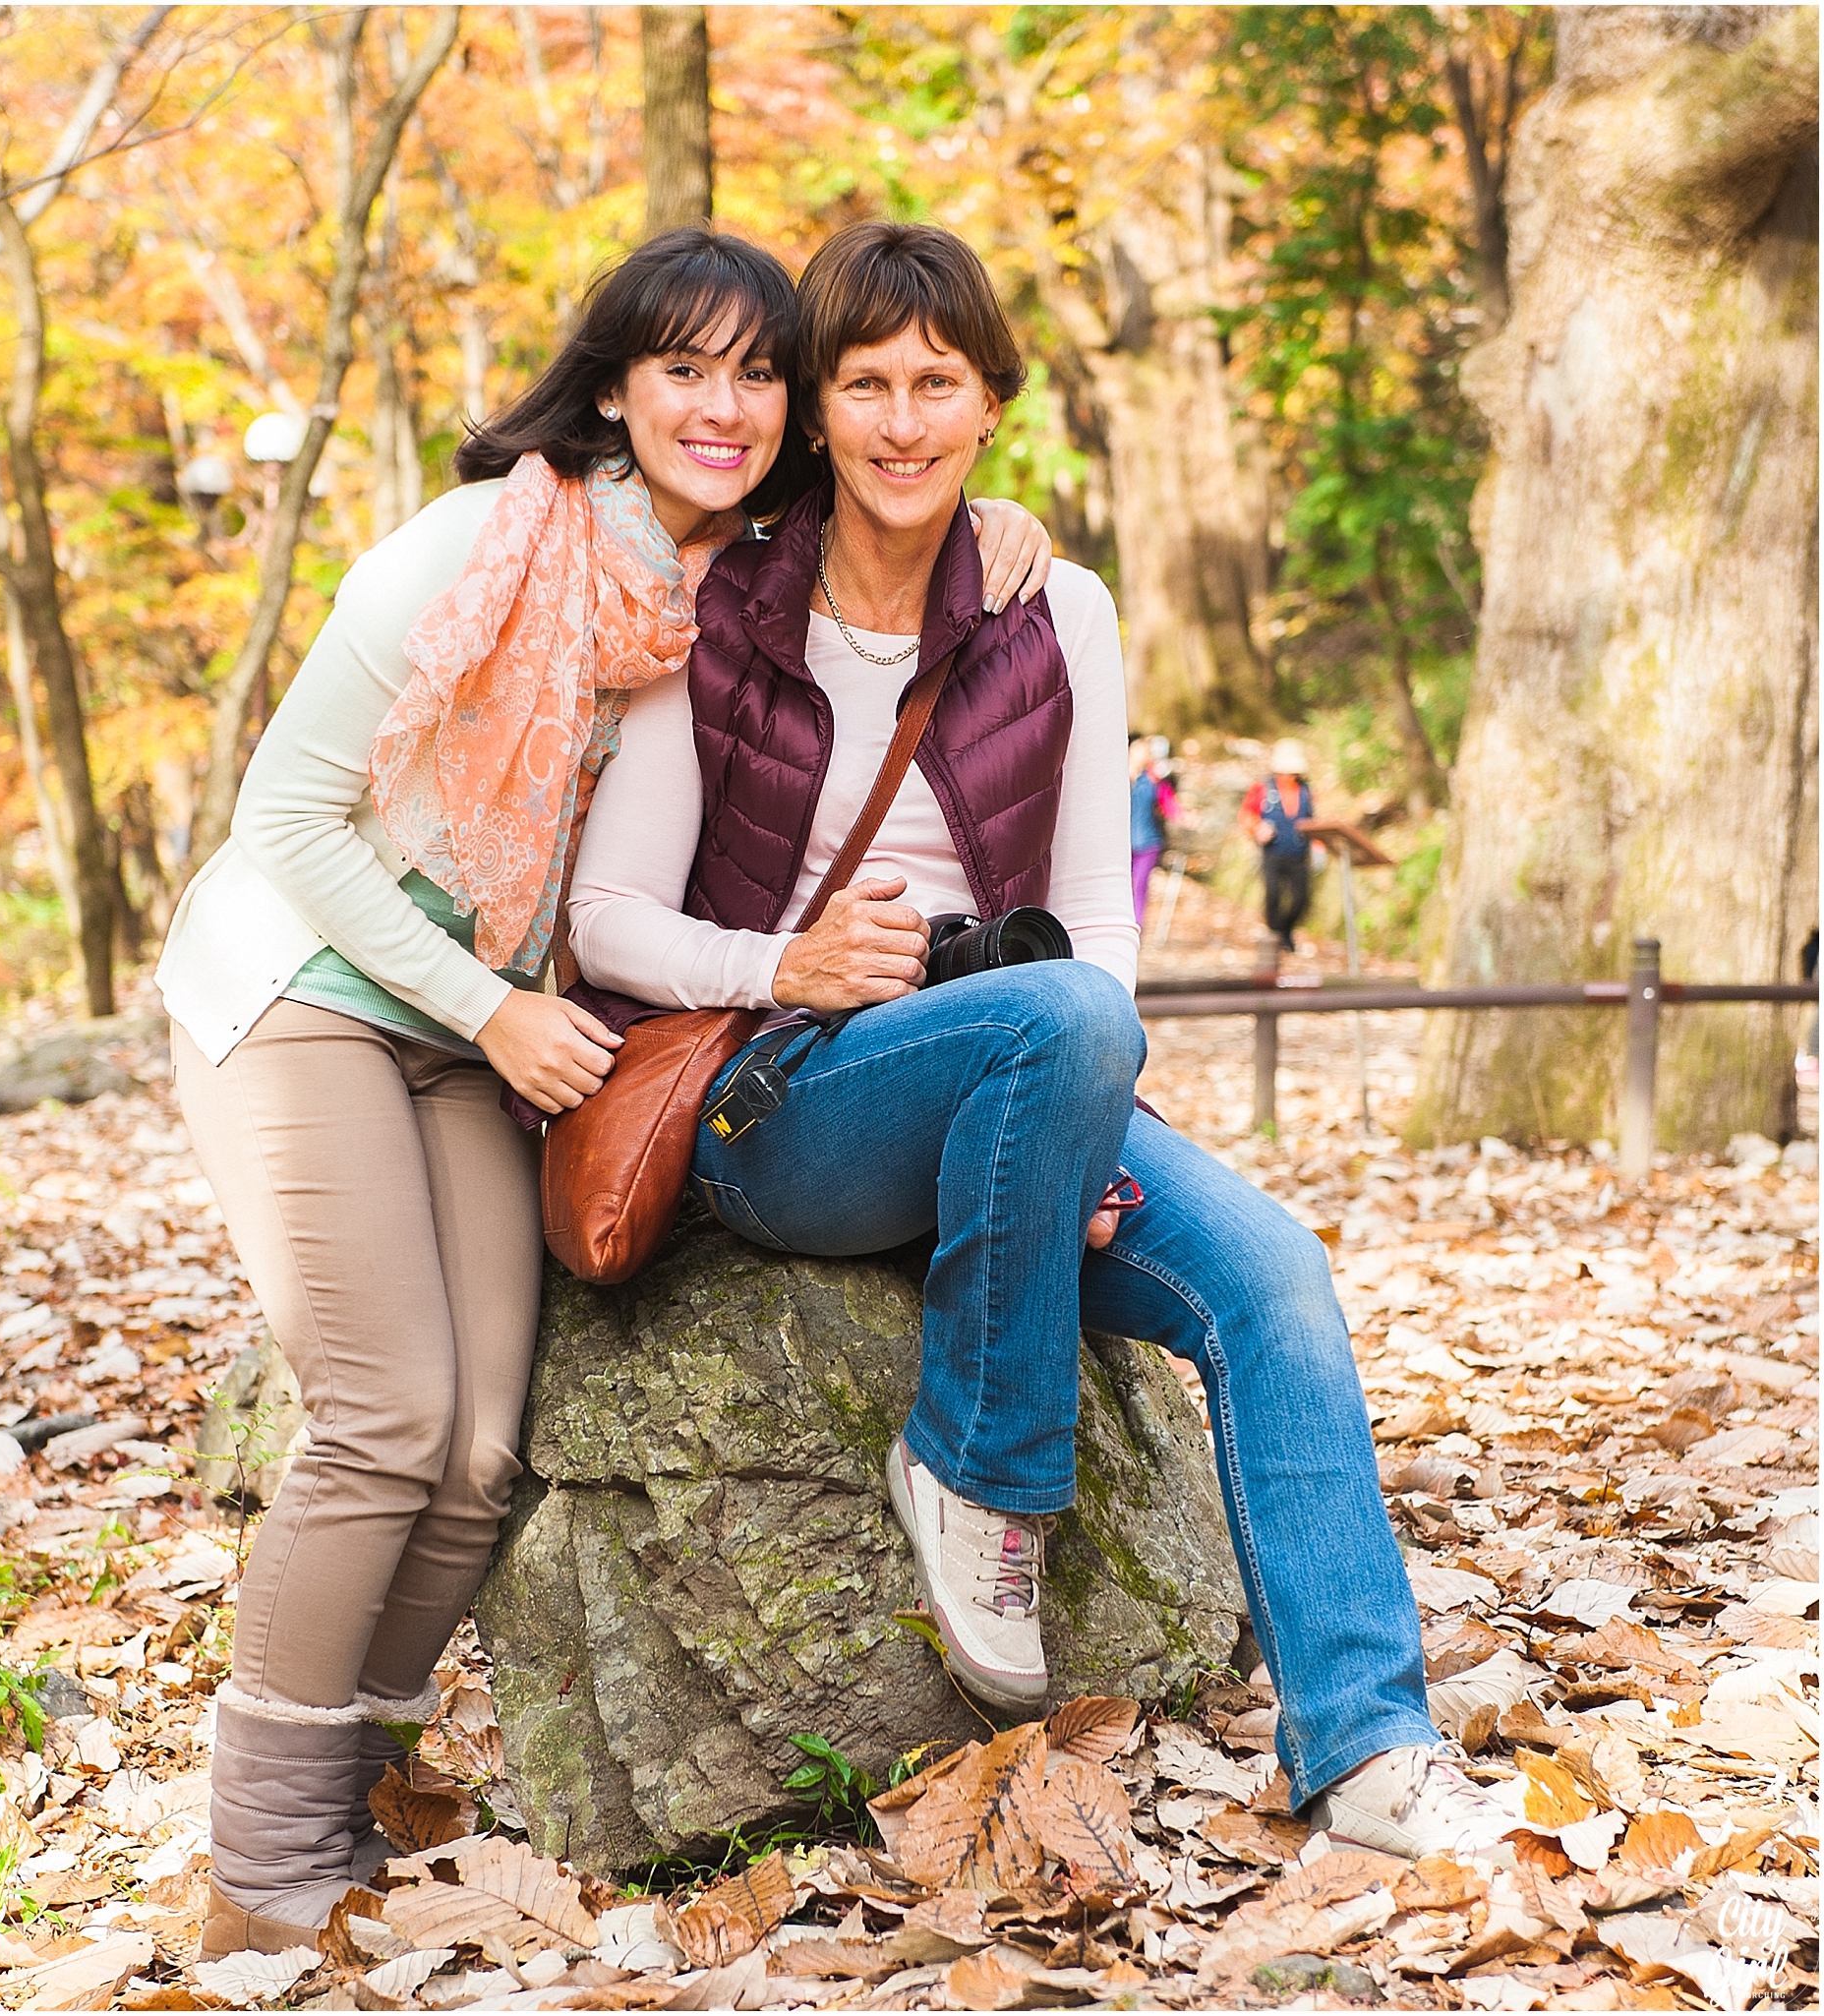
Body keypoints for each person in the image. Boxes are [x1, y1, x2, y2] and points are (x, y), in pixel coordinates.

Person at [154, 227, 1052, 1957]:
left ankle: (364, 1798)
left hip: (473, 1020)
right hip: (304, 986)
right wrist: (490, 1013)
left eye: (755, 372)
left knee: (482, 1450)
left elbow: (908, 531)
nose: (720, 406)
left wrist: (997, 533)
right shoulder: (468, 548)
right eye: (680, 370)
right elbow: (281, 823)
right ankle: (262, 1879)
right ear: (614, 385)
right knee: (385, 1420)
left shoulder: (725, 575)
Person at [566, 221, 1508, 1862]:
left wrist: (1064, 1129)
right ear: (813, 408)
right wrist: (786, 961)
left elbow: (1097, 920)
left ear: (990, 403)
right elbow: (607, 920)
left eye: (936, 383)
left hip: (1023, 1070)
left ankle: (1364, 1745)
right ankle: (979, 1471)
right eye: (862, 384)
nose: (900, 421)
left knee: (1271, 1274)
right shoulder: (716, 611)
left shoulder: (1051, 606)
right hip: (778, 1101)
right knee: (1058, 1018)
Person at [1241, 737, 1314, 951]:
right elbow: (1246, 814)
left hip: (1298, 853)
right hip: (1272, 852)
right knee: (1273, 894)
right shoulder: (1263, 787)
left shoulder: (1305, 790)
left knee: (1301, 898)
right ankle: (1275, 937)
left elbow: (1311, 818)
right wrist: (1258, 828)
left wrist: (1317, 847)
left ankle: (1285, 930)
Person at [1128, 735, 1178, 933]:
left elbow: (1169, 803)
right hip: (1123, 843)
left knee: (1140, 886)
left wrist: (1184, 816)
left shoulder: (1155, 780)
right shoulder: (1120, 777)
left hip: (1147, 842)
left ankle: (1137, 926)